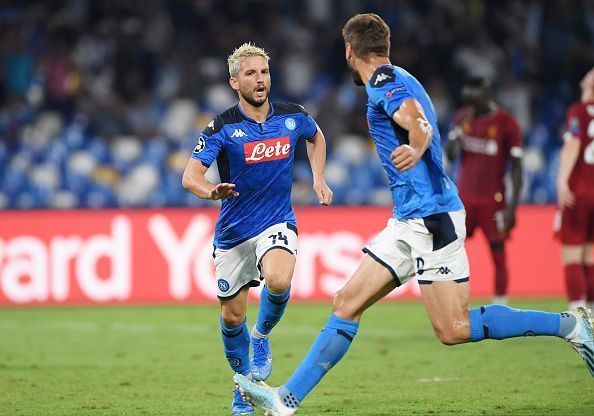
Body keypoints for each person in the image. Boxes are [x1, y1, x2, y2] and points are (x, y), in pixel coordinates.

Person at [234, 14, 594, 416]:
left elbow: (415, 121)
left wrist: (418, 144)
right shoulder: (401, 75)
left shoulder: (382, 82)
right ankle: (286, 401)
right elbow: (415, 117)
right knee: (345, 303)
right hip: (408, 219)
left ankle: (572, 327)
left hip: (433, 219)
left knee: (453, 329)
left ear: (351, 51)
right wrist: (419, 141)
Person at [182, 43, 333, 415]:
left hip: (276, 221)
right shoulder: (221, 127)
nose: (260, 79)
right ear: (235, 82)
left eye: (263, 71)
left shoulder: (292, 116)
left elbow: (316, 137)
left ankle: (262, 336)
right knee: (231, 317)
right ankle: (244, 386)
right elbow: (190, 177)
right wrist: (211, 191)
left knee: (279, 280)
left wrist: (318, 179)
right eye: (250, 74)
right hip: (234, 232)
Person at [446, 77, 523, 305]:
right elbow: (451, 155)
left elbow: (517, 169)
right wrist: (457, 130)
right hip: (465, 201)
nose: (470, 105)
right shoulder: (463, 117)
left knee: (498, 253)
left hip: (493, 201)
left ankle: (500, 304)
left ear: (486, 95)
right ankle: (452, 299)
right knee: (452, 250)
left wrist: (512, 208)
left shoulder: (506, 123)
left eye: (473, 100)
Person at [556, 68, 594, 312]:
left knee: (571, 255)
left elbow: (573, 144)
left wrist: (562, 179)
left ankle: (578, 312)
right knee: (590, 256)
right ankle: (590, 309)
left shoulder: (578, 112)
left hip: (580, 192)